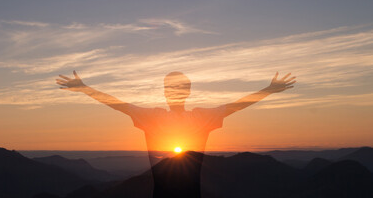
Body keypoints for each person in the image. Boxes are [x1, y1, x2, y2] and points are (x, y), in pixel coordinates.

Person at [56, 71, 296, 198]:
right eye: (170, 88)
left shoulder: (195, 116)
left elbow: (238, 105)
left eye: (178, 87)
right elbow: (117, 104)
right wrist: (85, 88)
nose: (173, 92)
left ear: (188, 91)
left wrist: (269, 89)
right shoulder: (163, 116)